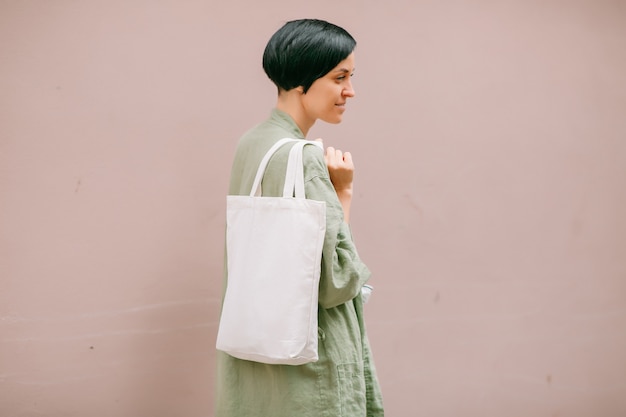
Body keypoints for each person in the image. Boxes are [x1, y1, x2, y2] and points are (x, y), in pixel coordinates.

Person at [215, 19, 384, 417]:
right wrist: (343, 191)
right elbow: (333, 281)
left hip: (258, 356)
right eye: (339, 77)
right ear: (302, 81)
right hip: (312, 367)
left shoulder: (253, 142)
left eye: (351, 76)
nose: (350, 91)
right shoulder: (305, 157)